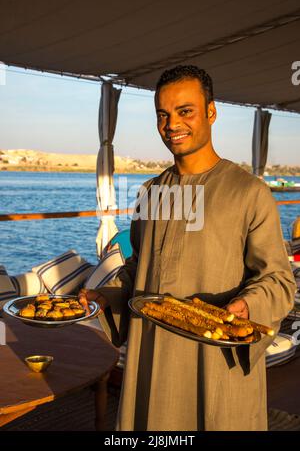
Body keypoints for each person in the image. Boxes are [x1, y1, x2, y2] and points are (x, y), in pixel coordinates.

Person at [80, 65, 296, 431]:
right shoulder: (151, 192)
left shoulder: (248, 192)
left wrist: (247, 306)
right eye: (162, 115)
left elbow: (279, 280)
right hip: (150, 360)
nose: (172, 124)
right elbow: (139, 267)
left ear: (211, 112)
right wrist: (105, 297)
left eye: (185, 111)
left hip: (213, 363)